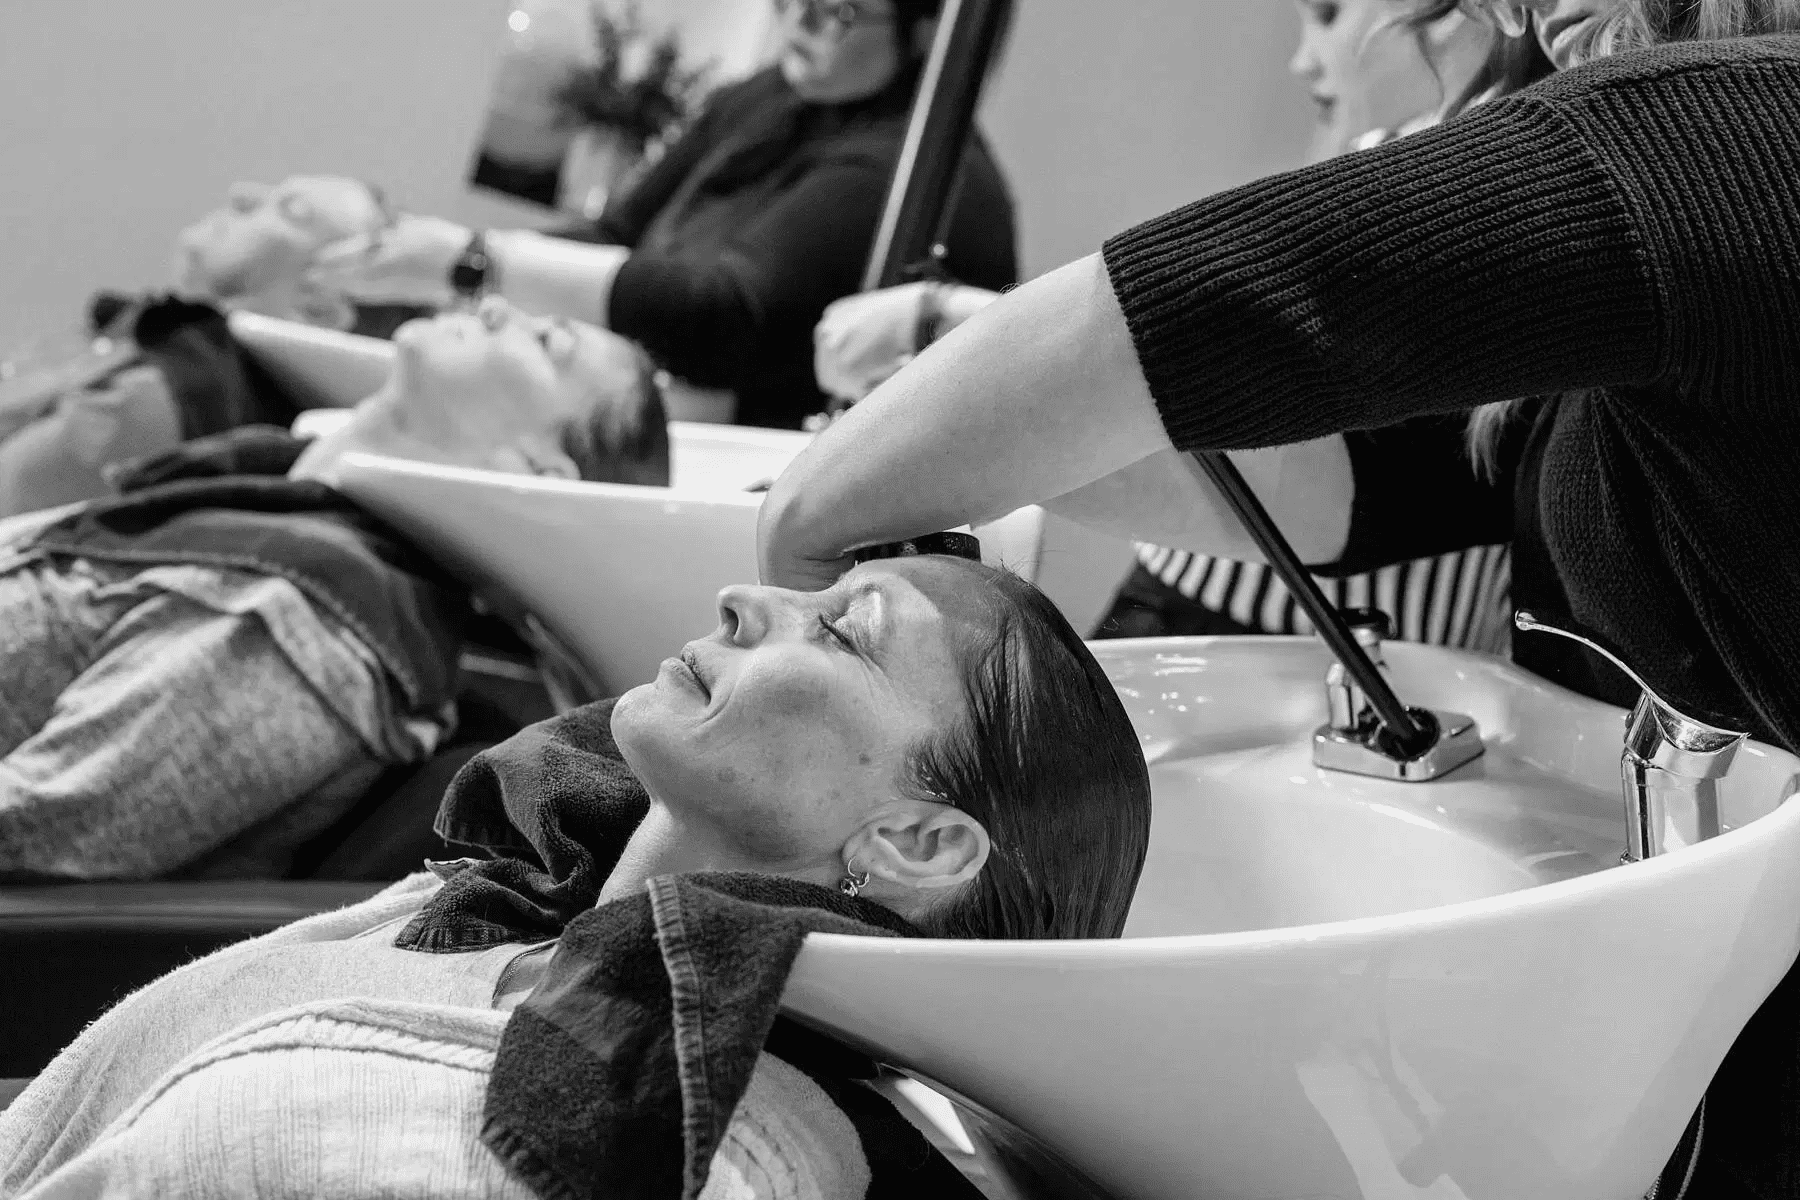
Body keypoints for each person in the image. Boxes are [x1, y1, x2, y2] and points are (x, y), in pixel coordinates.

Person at [763, 2, 1800, 1194]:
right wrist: (967, 449)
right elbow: (1353, 487)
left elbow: (1233, 298)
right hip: (1697, 962)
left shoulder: (1757, 127)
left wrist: (805, 526)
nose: (1529, 11)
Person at [0, 554, 1153, 1198]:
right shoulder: (506, 909)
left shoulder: (694, 1143)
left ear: (919, 843)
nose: (747, 600)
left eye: (842, 630)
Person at [812, 0, 1549, 649]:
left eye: (1328, 12)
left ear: (1464, 12)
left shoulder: (1480, 200)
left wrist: (951, 336)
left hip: (1339, 649)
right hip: (1221, 604)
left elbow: (1311, 461)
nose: (1300, 58)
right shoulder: (1382, 157)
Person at [0, 297, 668, 882]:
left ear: (539, 470)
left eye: (548, 343)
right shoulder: (259, 499)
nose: (495, 307)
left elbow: (38, 829)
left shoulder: (315, 621)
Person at [308, 0, 1018, 431]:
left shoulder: (906, 177)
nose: (795, 21)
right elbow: (616, 235)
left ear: (930, 33)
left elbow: (718, 316)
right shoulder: (766, 99)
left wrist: (474, 261)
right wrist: (442, 275)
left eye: (837, 10)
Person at [0, 176, 413, 519]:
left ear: (317, 309)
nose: (242, 193)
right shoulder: (161, 353)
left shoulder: (161, 401)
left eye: (292, 211)